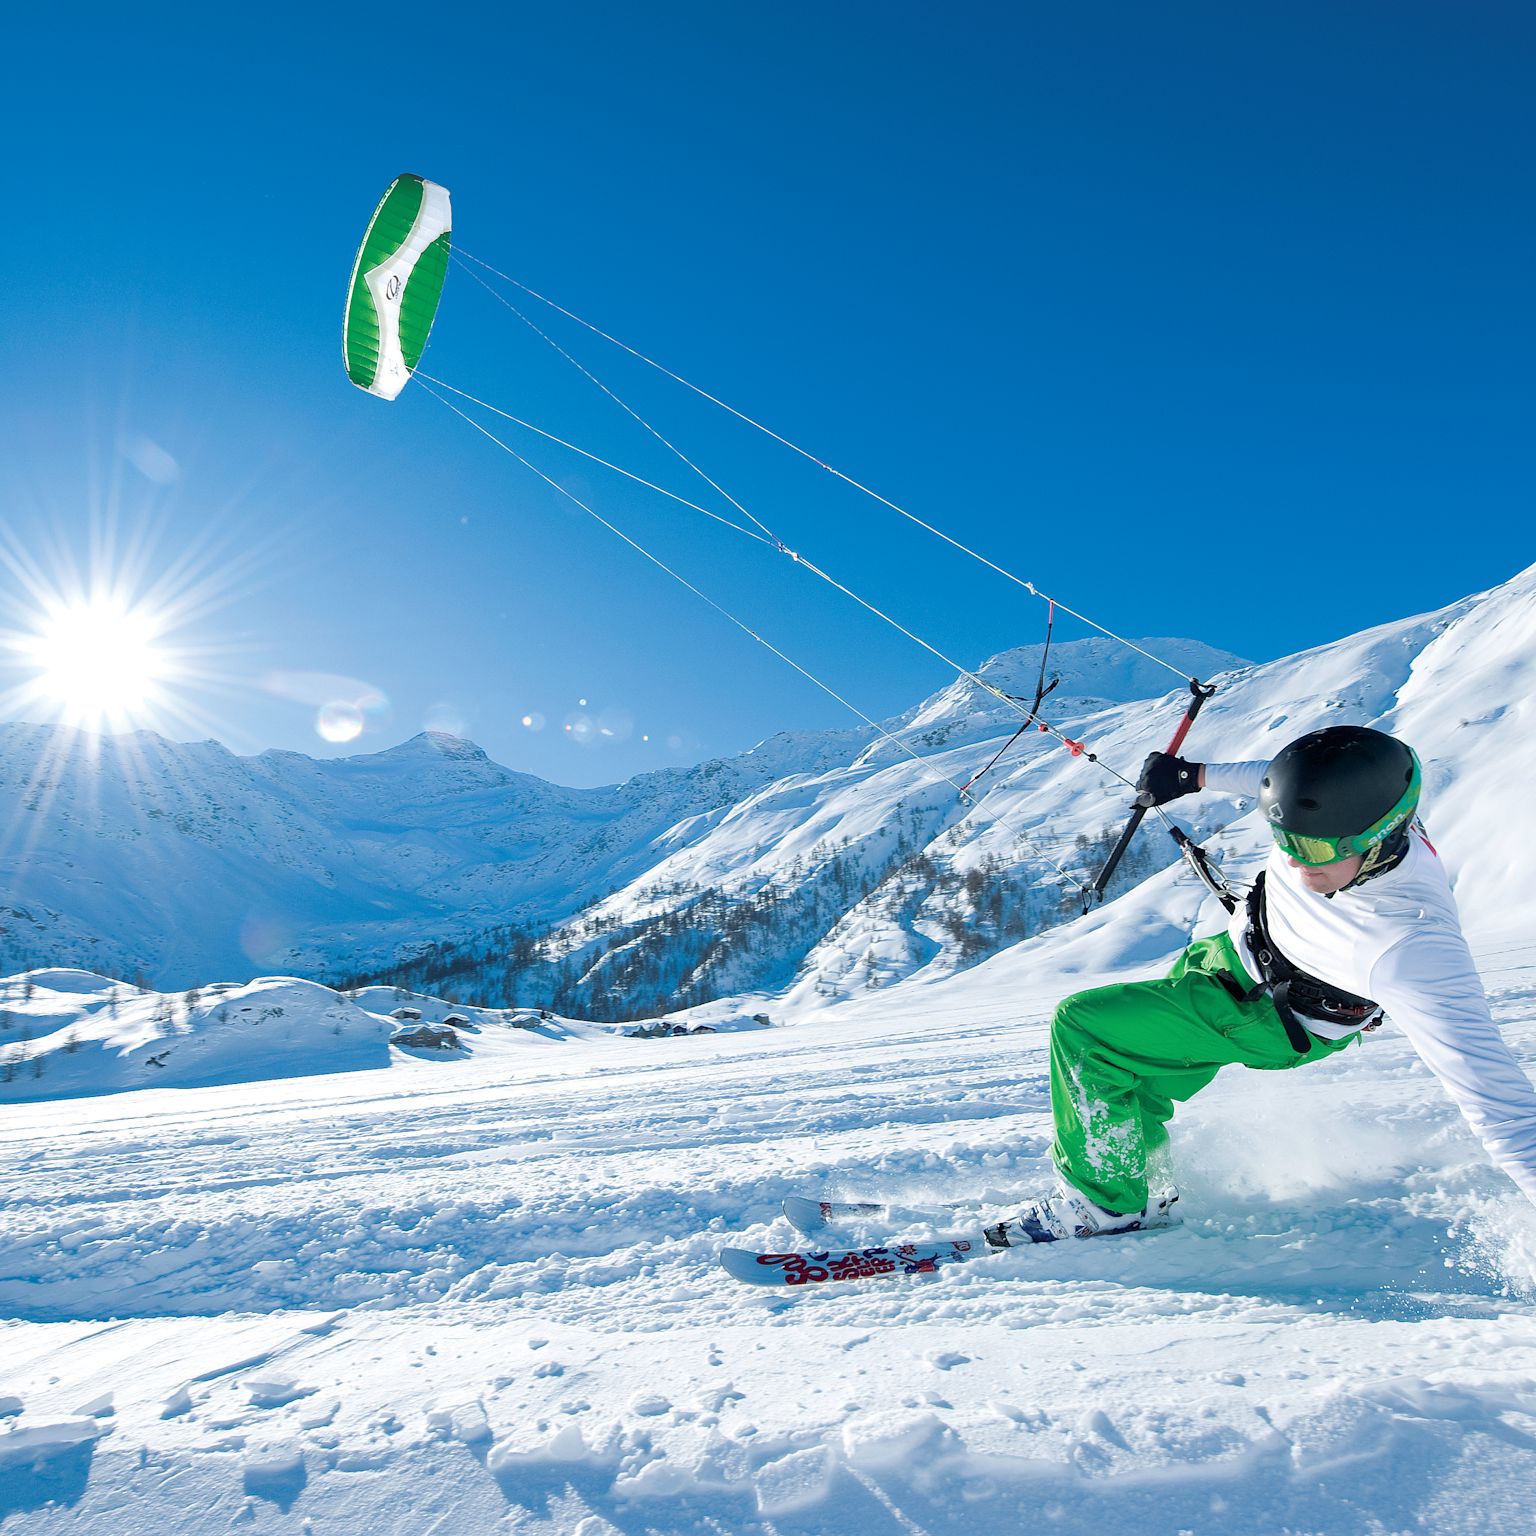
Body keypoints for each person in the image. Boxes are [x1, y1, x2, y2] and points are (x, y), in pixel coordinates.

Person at [986, 725, 1536, 1246]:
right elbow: (1273, 779)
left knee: (1085, 1028)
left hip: (1267, 1016)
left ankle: (1101, 1207)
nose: (1298, 865)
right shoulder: (1354, 814)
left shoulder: (1413, 948)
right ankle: (1142, 1187)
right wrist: (1194, 776)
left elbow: (1503, 1106)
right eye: (1285, 840)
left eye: (1318, 850)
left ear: (1384, 835)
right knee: (1137, 1067)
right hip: (1230, 959)